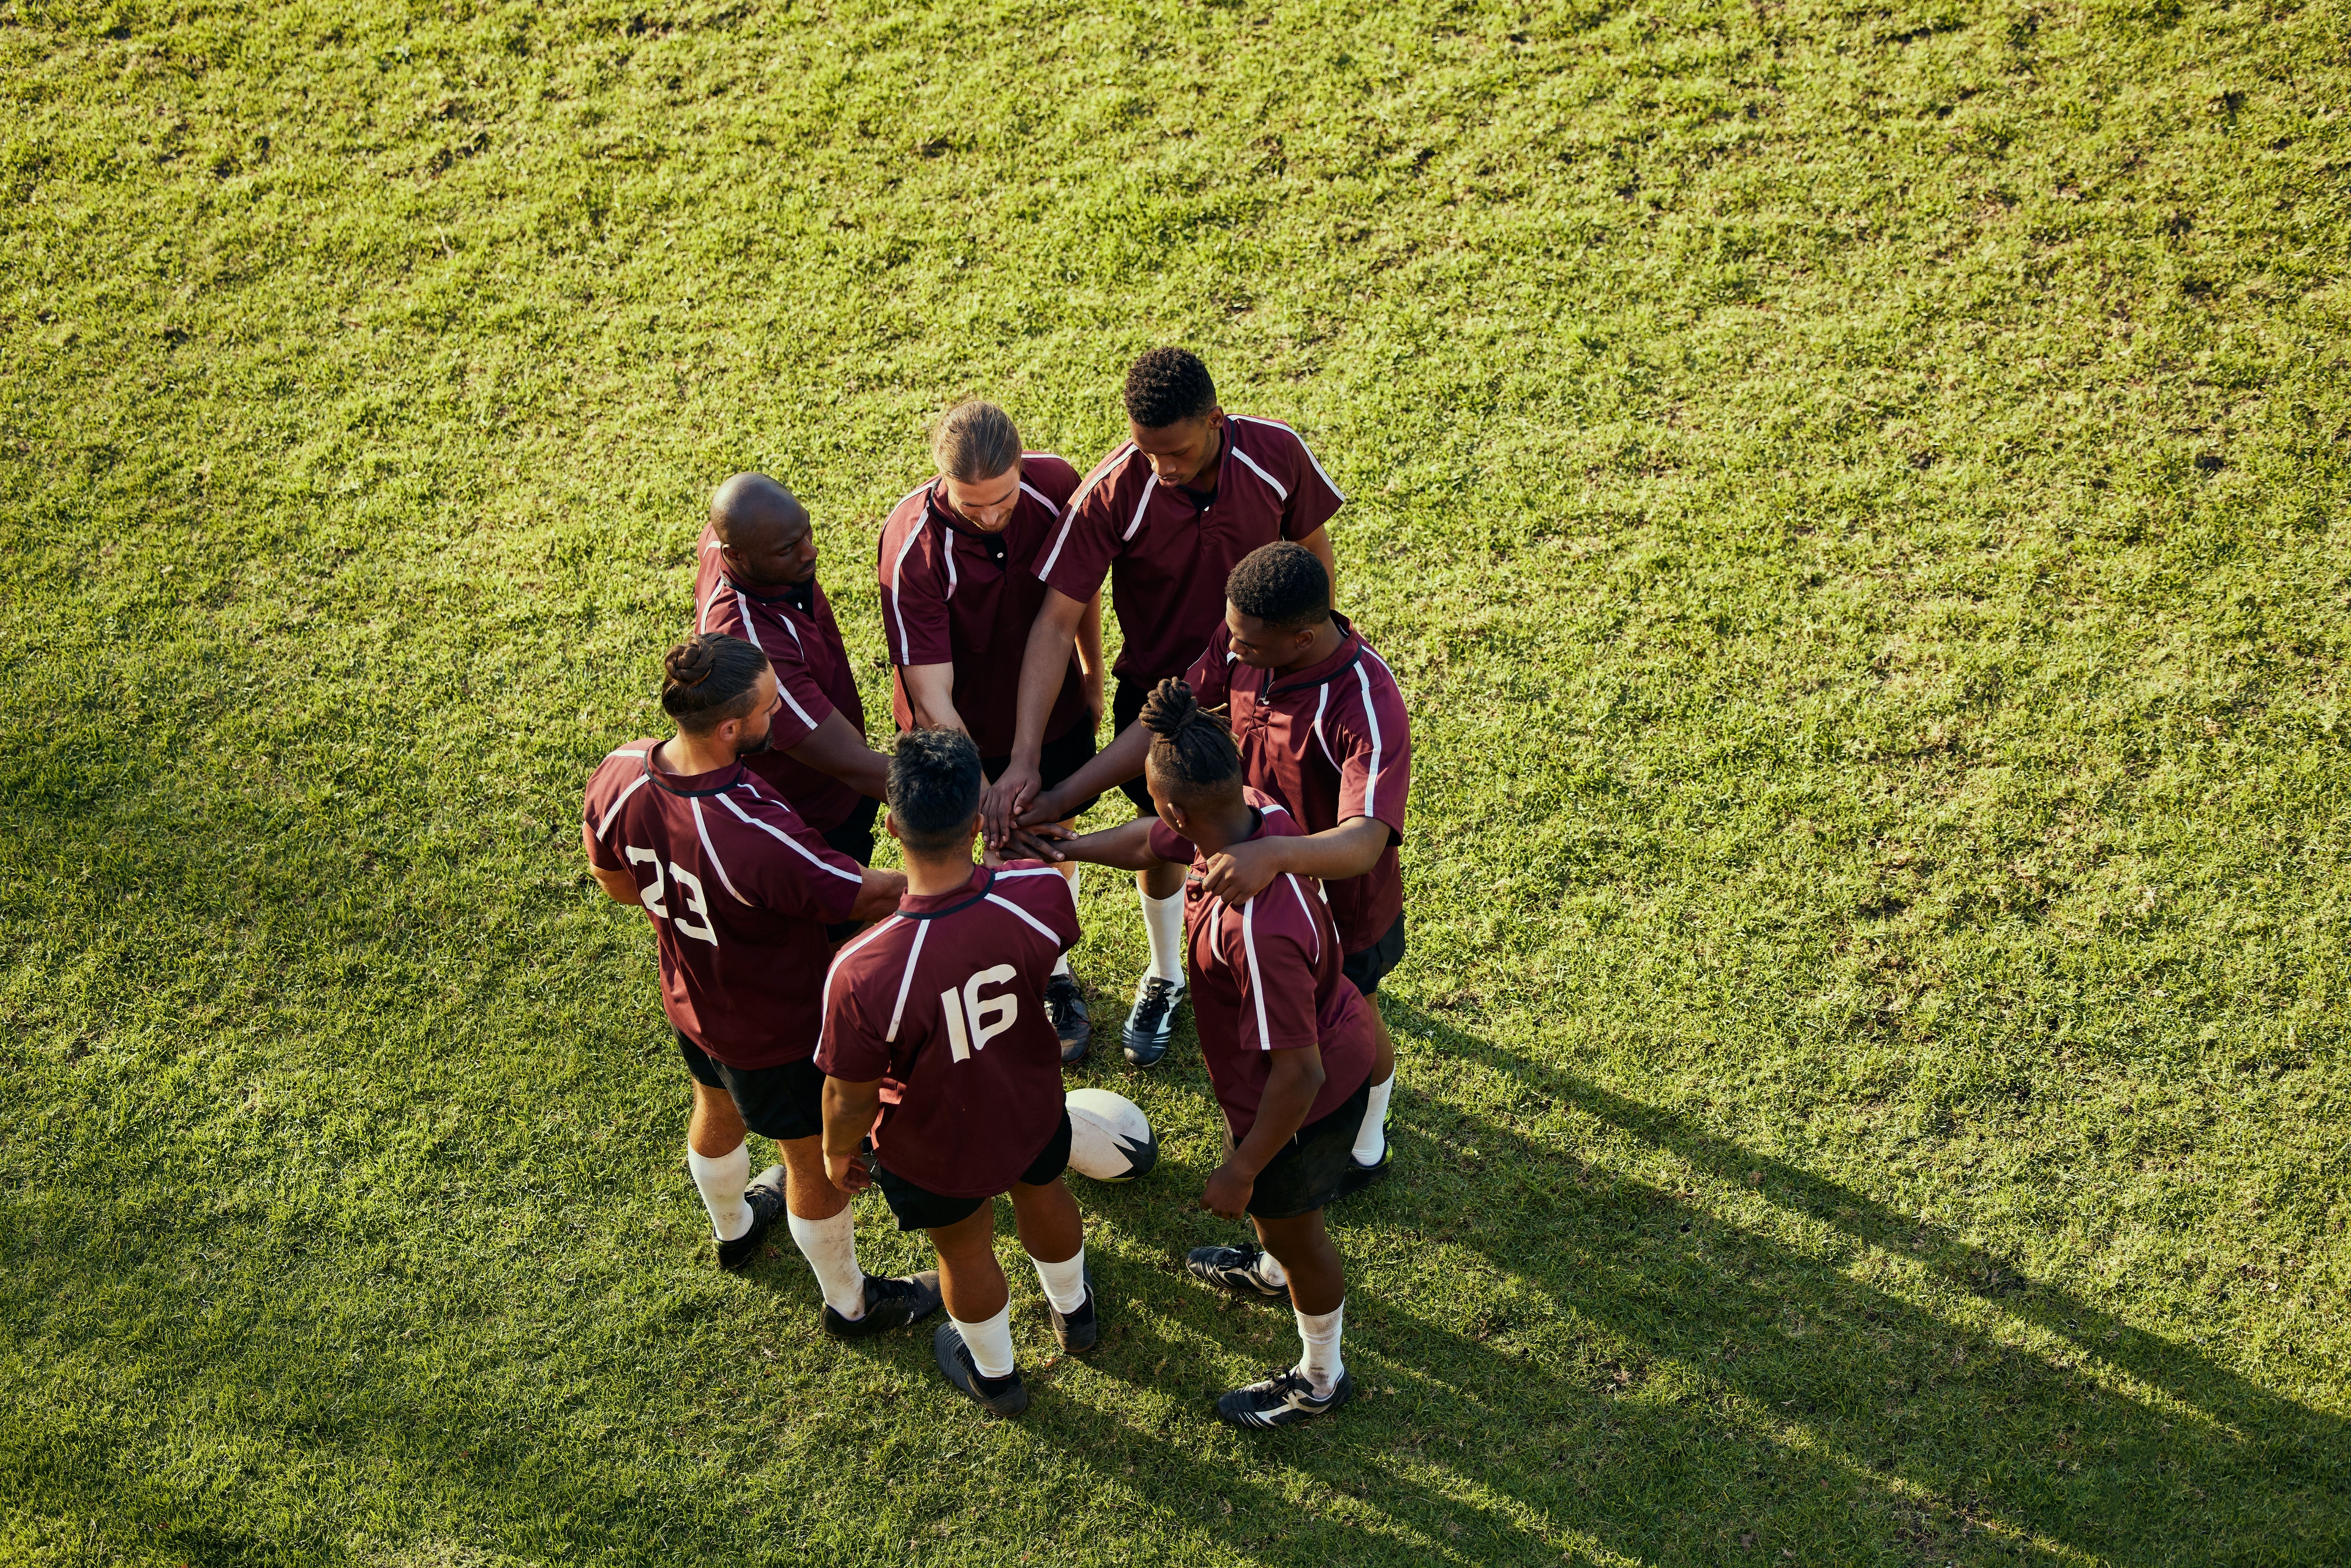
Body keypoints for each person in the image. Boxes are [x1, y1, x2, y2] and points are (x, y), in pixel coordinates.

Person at [981, 348, 1344, 1067]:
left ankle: (1297, 964)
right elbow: (1056, 622)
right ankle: (1168, 972)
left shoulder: (1277, 455)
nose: (1162, 468)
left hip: (1266, 683)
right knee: (1171, 835)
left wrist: (1312, 654)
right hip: (1162, 693)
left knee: (1278, 828)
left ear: (1215, 420)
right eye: (1148, 452)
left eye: (1174, 452)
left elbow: (1311, 557)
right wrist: (1027, 757)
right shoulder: (1117, 488)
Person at [581, 634, 943, 1340]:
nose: (779, 714)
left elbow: (615, 881)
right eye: (769, 708)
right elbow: (861, 894)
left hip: (691, 1000)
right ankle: (851, 1304)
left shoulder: (621, 769)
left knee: (713, 1104)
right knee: (810, 1160)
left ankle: (735, 1230)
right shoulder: (751, 828)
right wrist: (938, 870)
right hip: (776, 1029)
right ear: (729, 728)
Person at [1019, 542, 1410, 1195]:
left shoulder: (1366, 702)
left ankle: (1368, 1143)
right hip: (1247, 869)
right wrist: (1065, 798)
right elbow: (1163, 728)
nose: (1231, 652)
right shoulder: (1245, 639)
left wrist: (1273, 853)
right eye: (1229, 635)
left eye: (1247, 646)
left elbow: (1367, 838)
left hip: (1342, 903)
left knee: (1351, 1015)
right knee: (1283, 1029)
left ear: (1303, 638)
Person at [1038, 682, 1368, 1428]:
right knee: (1276, 1220)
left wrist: (1242, 1168)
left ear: (1179, 808)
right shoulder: (1250, 813)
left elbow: (1301, 1071)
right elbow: (1151, 842)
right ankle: (1271, 1264)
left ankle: (1320, 1374)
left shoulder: (1257, 926)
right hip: (1273, 1078)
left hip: (1304, 1097)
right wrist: (1068, 844)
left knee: (1300, 1228)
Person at [816, 729, 1099, 1418]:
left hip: (934, 1143)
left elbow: (849, 1094)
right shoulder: (1036, 891)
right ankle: (1076, 1310)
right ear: (978, 821)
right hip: (1029, 1102)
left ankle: (997, 1376)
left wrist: (834, 1149)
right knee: (1046, 1192)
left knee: (967, 1250)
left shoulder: (863, 968)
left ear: (890, 825)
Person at [874, 401, 1106, 1062]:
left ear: (1022, 464)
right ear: (941, 479)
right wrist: (983, 785)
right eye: (972, 506)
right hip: (957, 729)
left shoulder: (1058, 484)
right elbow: (930, 691)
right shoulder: (911, 542)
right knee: (978, 854)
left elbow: (1076, 594)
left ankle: (1052, 969)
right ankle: (993, 977)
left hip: (1049, 709)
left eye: (1002, 499)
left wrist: (1090, 670)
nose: (991, 515)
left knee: (1050, 838)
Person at [693, 473, 891, 887]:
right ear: (738, 555)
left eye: (806, 532)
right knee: (839, 937)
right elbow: (855, 766)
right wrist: (973, 801)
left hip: (830, 794)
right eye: (788, 549)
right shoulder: (753, 651)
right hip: (810, 820)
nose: (810, 551)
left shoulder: (740, 547)